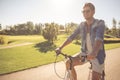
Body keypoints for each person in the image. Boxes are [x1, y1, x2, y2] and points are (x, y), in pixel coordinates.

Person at [55, 2, 106, 80]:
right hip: (84, 53)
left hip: (97, 55)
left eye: (87, 11)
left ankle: (101, 73)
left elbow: (98, 38)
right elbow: (71, 37)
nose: (85, 13)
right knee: (68, 63)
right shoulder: (82, 25)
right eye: (83, 11)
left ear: (93, 11)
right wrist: (60, 47)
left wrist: (94, 52)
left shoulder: (100, 23)